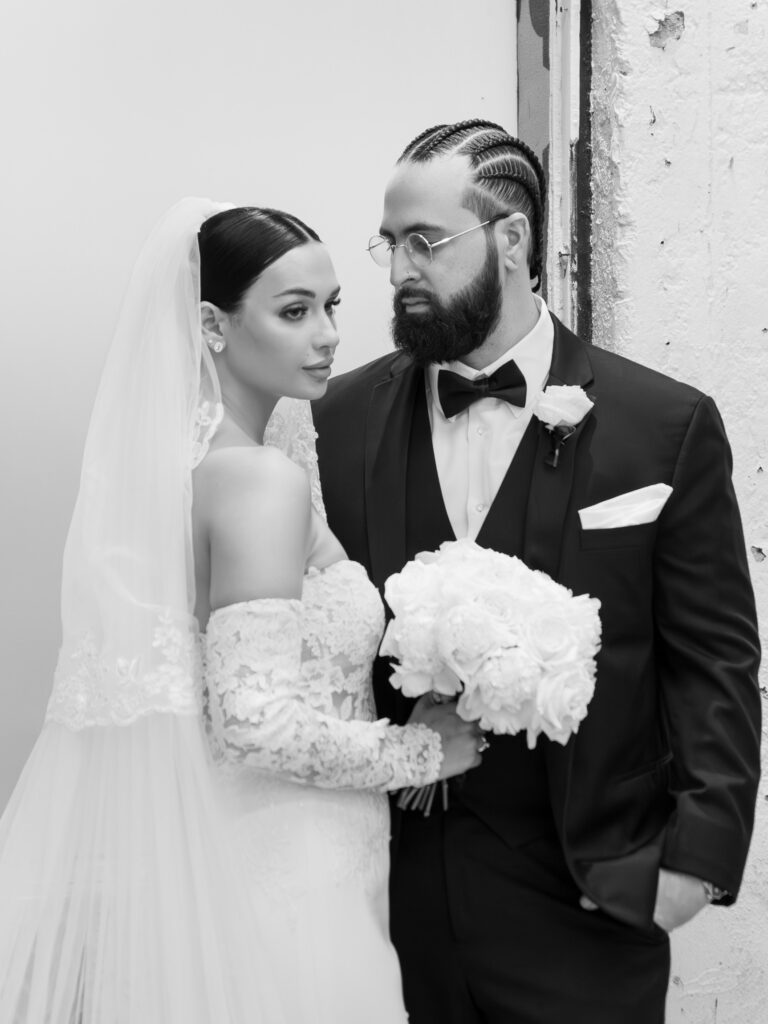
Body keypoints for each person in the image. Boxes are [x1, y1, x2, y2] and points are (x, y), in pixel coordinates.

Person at [312, 119, 762, 1024]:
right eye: (389, 245)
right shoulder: (340, 418)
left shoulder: (661, 425)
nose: (400, 271)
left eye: (425, 243)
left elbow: (714, 661)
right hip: (384, 909)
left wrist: (695, 865)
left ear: (511, 238)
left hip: (589, 898)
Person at [0, 198, 481, 1023]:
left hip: (229, 864)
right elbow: (255, 723)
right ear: (212, 325)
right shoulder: (260, 482)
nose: (327, 335)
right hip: (288, 879)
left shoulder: (200, 467)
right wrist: (420, 752)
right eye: (293, 312)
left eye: (332, 307)